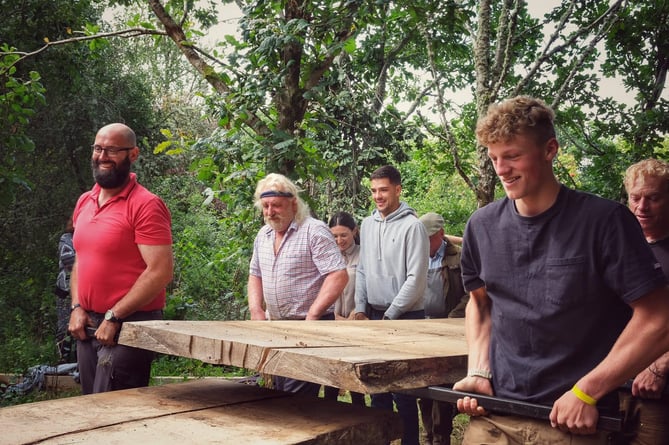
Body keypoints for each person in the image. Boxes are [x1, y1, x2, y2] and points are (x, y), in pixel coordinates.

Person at [453, 96, 669, 444]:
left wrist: (587, 391)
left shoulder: (604, 222)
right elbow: (480, 303)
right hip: (497, 414)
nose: (501, 169)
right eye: (494, 158)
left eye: (512, 156)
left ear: (550, 149)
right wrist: (478, 370)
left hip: (574, 420)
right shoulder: (481, 226)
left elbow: (658, 318)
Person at [68, 123, 174, 395]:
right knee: (91, 411)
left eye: (113, 150)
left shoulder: (146, 205)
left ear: (133, 154)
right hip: (89, 326)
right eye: (98, 148)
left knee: (116, 417)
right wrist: (77, 306)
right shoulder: (85, 200)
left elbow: (160, 272)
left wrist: (115, 315)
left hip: (131, 325)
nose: (103, 156)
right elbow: (81, 260)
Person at [247, 173, 348, 396]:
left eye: (276, 205)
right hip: (276, 328)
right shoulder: (263, 235)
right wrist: (256, 311)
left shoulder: (314, 230)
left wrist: (313, 315)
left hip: (310, 327)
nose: (270, 212)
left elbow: (338, 275)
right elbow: (255, 275)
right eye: (265, 206)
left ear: (293, 203)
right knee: (278, 392)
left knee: (293, 400)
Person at [353, 165, 429, 445]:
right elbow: (362, 270)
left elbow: (416, 279)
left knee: (404, 393)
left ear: (398, 189)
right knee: (377, 391)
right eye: (373, 191)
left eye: (383, 190)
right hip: (373, 315)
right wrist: (360, 308)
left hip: (406, 317)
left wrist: (390, 316)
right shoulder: (367, 225)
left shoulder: (413, 226)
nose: (378, 196)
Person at [622, 158, 669, 444]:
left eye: (653, 198)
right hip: (608, 386)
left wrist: (661, 367)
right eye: (635, 198)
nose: (642, 207)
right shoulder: (617, 245)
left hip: (657, 392)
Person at [417, 212, 468, 445]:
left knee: (443, 387)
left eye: (427, 237)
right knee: (422, 385)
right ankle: (429, 435)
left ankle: (441, 437)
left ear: (440, 234)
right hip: (419, 331)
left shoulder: (460, 256)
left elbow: (472, 294)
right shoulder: (414, 256)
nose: (422, 242)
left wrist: (451, 320)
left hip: (449, 330)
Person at [322, 211, 366, 406]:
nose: (339, 240)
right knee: (330, 376)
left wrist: (357, 314)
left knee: (358, 379)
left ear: (354, 232)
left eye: (344, 235)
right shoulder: (325, 257)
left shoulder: (364, 255)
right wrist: (334, 317)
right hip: (331, 324)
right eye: (334, 236)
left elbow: (368, 288)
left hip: (358, 325)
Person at [54, 217, 76, 363]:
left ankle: (77, 363)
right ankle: (63, 362)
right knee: (64, 328)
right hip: (65, 292)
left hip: (86, 293)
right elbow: (68, 260)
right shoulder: (67, 238)